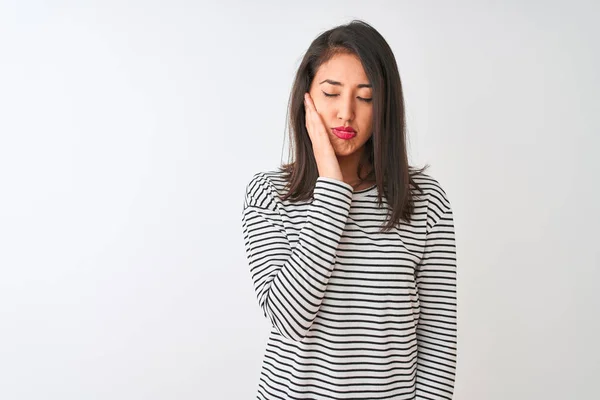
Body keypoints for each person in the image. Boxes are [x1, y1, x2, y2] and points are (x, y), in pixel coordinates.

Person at [241, 19, 456, 400]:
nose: (346, 113)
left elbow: (438, 342)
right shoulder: (269, 194)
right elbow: (289, 318)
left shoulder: (424, 201)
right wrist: (332, 187)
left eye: (366, 97)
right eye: (331, 93)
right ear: (306, 99)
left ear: (385, 105)